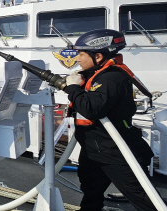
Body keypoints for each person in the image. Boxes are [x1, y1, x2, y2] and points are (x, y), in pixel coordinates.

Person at [63, 29, 158, 211]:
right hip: (95, 148)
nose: (77, 59)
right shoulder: (97, 74)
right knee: (91, 190)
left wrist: (73, 88)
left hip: (115, 150)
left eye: (81, 54)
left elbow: (92, 109)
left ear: (98, 56)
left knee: (142, 197)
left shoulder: (111, 78)